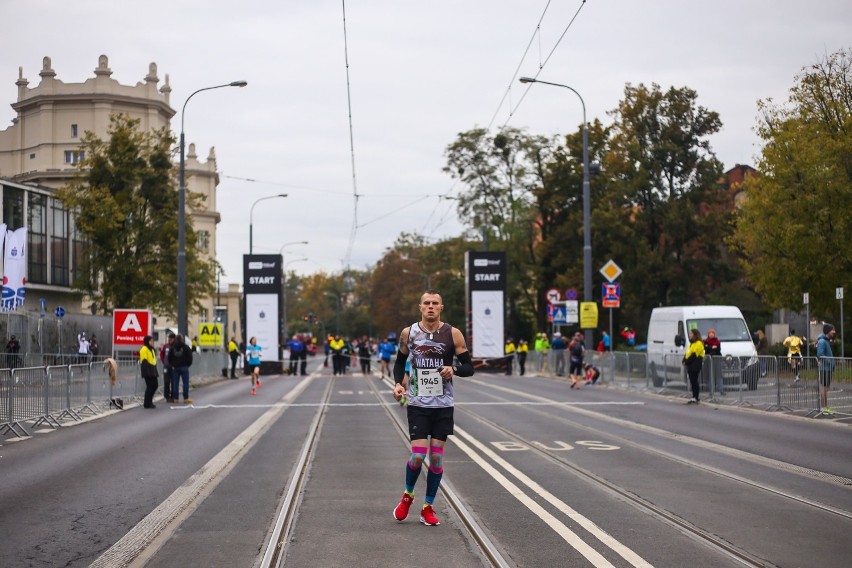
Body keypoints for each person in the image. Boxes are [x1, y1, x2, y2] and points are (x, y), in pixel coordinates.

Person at [391, 290, 474, 527]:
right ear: (420, 307)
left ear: (441, 307)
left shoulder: (453, 333)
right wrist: (398, 384)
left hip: (443, 404)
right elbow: (399, 363)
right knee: (418, 456)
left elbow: (469, 367)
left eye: (434, 303)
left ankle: (427, 506)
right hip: (418, 403)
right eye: (426, 303)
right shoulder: (409, 333)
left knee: (436, 459)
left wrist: (454, 370)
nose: (430, 306)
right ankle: (408, 495)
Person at [816, 324, 837, 414]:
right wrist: (829, 361)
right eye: (833, 330)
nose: (834, 332)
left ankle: (825, 407)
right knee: (824, 388)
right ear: (828, 331)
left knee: (825, 388)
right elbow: (820, 354)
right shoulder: (822, 341)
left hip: (827, 368)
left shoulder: (826, 341)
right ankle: (824, 408)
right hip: (824, 368)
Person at [168, 334, 193, 404]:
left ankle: (176, 398)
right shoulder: (186, 347)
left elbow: (169, 358)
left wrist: (172, 365)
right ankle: (186, 398)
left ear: (176, 339)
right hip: (184, 367)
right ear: (182, 339)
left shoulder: (172, 348)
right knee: (185, 383)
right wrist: (187, 365)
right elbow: (190, 357)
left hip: (175, 368)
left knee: (175, 383)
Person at [682, 328, 705, 403]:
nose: (690, 335)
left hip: (695, 364)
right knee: (692, 381)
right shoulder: (692, 343)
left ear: (695, 334)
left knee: (694, 381)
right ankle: (694, 396)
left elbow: (694, 355)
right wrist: (684, 359)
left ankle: (696, 397)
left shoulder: (699, 343)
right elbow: (688, 353)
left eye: (691, 333)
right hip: (690, 364)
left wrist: (687, 361)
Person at [138, 335, 159, 409]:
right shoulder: (144, 349)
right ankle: (147, 403)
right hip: (148, 370)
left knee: (155, 385)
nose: (152, 342)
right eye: (151, 341)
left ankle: (150, 401)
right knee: (150, 387)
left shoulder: (152, 349)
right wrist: (146, 372)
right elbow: (144, 361)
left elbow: (153, 360)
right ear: (147, 341)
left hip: (153, 370)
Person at [704, 329, 723, 394]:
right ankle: (711, 390)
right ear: (708, 334)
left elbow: (718, 349)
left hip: (717, 359)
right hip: (709, 360)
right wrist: (712, 347)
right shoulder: (706, 341)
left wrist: (711, 348)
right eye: (710, 333)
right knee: (710, 375)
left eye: (712, 333)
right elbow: (706, 348)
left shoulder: (717, 341)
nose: (711, 334)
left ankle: (721, 390)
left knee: (718, 375)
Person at [160, 332, 175, 401]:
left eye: (171, 339)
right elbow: (162, 354)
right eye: (169, 338)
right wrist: (164, 361)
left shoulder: (175, 346)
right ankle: (167, 396)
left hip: (173, 367)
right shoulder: (166, 346)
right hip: (166, 367)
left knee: (173, 382)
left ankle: (173, 396)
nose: (169, 340)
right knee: (166, 382)